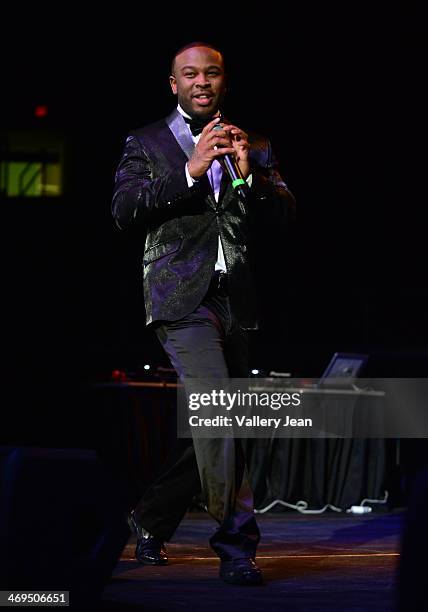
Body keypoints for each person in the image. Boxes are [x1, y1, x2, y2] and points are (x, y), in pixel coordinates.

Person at [111, 41, 295, 585]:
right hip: (179, 300)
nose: (201, 82)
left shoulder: (254, 143)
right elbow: (123, 211)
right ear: (174, 83)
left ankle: (149, 516)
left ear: (223, 81)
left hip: (235, 300)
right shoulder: (145, 142)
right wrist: (190, 171)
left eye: (211, 73)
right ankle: (236, 546)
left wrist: (250, 176)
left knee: (218, 424)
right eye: (189, 74)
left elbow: (285, 218)